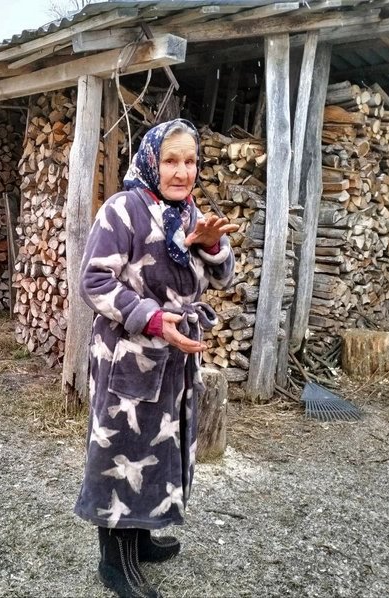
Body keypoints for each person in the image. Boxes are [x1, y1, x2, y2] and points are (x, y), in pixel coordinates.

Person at [73, 118, 237, 598]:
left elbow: (223, 277)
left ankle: (142, 539)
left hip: (174, 360)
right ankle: (115, 563)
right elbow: (93, 281)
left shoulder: (189, 214)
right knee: (123, 448)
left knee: (160, 447)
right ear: (150, 161)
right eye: (171, 160)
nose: (182, 172)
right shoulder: (122, 210)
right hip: (129, 357)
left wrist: (210, 245)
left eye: (190, 161)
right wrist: (151, 318)